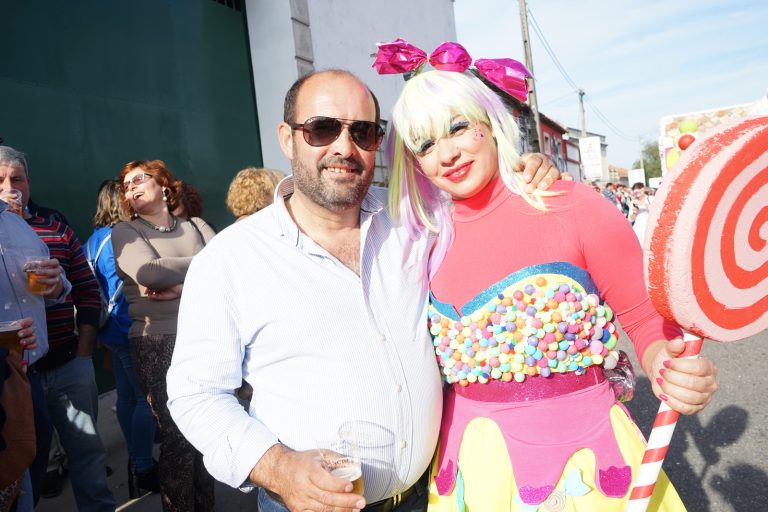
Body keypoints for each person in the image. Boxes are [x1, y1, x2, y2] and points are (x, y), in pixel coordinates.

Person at [166, 68, 558, 512]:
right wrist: (278, 467)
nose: (344, 148)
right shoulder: (231, 259)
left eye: (363, 132)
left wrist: (523, 169)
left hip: (429, 495)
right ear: (287, 138)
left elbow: (480, 196)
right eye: (322, 128)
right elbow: (196, 393)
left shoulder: (414, 218)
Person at [386, 66, 718, 511]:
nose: (447, 154)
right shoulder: (421, 240)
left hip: (582, 467)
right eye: (425, 145)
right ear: (413, 163)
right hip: (470, 473)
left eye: (458, 127)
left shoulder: (573, 205)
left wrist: (667, 367)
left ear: (489, 122)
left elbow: (644, 318)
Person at [0, 145, 116, 511]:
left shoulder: (53, 227)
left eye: (17, 179)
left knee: (87, 452)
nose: (9, 187)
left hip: (67, 362)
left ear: (29, 183)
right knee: (24, 464)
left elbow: (86, 290)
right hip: (14, 372)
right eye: (0, 180)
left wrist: (83, 353)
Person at [112, 160, 216, 512]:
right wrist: (203, 262)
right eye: (126, 185)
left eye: (139, 179)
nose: (131, 187)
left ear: (163, 186)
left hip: (206, 336)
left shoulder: (195, 225)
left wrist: (181, 287)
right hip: (158, 341)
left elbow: (227, 267)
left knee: (206, 433)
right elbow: (150, 273)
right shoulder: (126, 232)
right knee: (177, 437)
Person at [85, 178, 158, 497]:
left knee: (127, 397)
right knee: (145, 399)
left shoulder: (93, 240)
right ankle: (142, 467)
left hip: (109, 330)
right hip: (131, 327)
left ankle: (136, 460)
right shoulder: (121, 238)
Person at [0, 195, 70, 512]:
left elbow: (55, 289)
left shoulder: (17, 225)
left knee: (29, 467)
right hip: (4, 376)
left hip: (29, 373)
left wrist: (56, 285)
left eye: (16, 179)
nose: (9, 189)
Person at [628, 182, 652, 246]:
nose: (637, 191)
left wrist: (646, 205)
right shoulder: (633, 202)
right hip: (638, 228)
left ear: (643, 189)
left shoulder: (651, 199)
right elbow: (630, 220)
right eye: (635, 189)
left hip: (649, 227)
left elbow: (656, 212)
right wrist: (634, 213)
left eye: (639, 188)